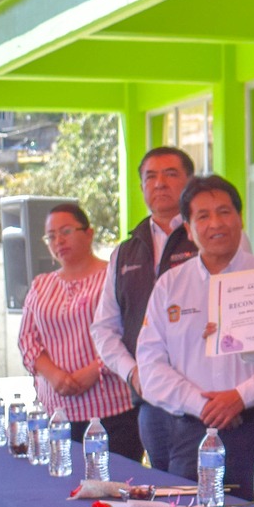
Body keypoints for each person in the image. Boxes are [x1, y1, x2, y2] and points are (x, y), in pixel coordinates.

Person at [135, 175, 254, 490]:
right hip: (191, 432)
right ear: (188, 229)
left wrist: (240, 397)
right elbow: (150, 366)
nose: (216, 223)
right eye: (203, 216)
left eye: (225, 211)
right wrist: (201, 404)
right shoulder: (169, 286)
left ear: (240, 218)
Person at [92, 146, 197, 466]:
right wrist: (133, 372)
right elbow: (104, 328)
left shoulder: (209, 238)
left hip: (201, 399)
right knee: (164, 493)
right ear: (141, 188)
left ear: (190, 182)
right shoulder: (125, 251)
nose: (159, 183)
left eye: (170, 174)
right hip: (149, 401)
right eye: (150, 177)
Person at [17, 202, 136, 446]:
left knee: (113, 483)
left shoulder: (112, 277)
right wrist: (53, 375)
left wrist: (94, 370)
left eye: (66, 232)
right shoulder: (41, 285)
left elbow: (131, 333)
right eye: (51, 236)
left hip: (113, 411)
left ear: (89, 233)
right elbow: (27, 338)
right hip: (57, 413)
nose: (58, 240)